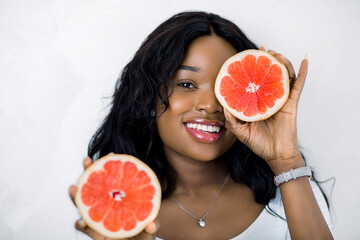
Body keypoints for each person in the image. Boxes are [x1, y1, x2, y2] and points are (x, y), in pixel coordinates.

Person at [69, 11, 333, 239]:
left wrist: (286, 160)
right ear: (149, 97)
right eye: (186, 84)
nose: (210, 105)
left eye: (225, 87)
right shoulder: (116, 205)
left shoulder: (290, 192)